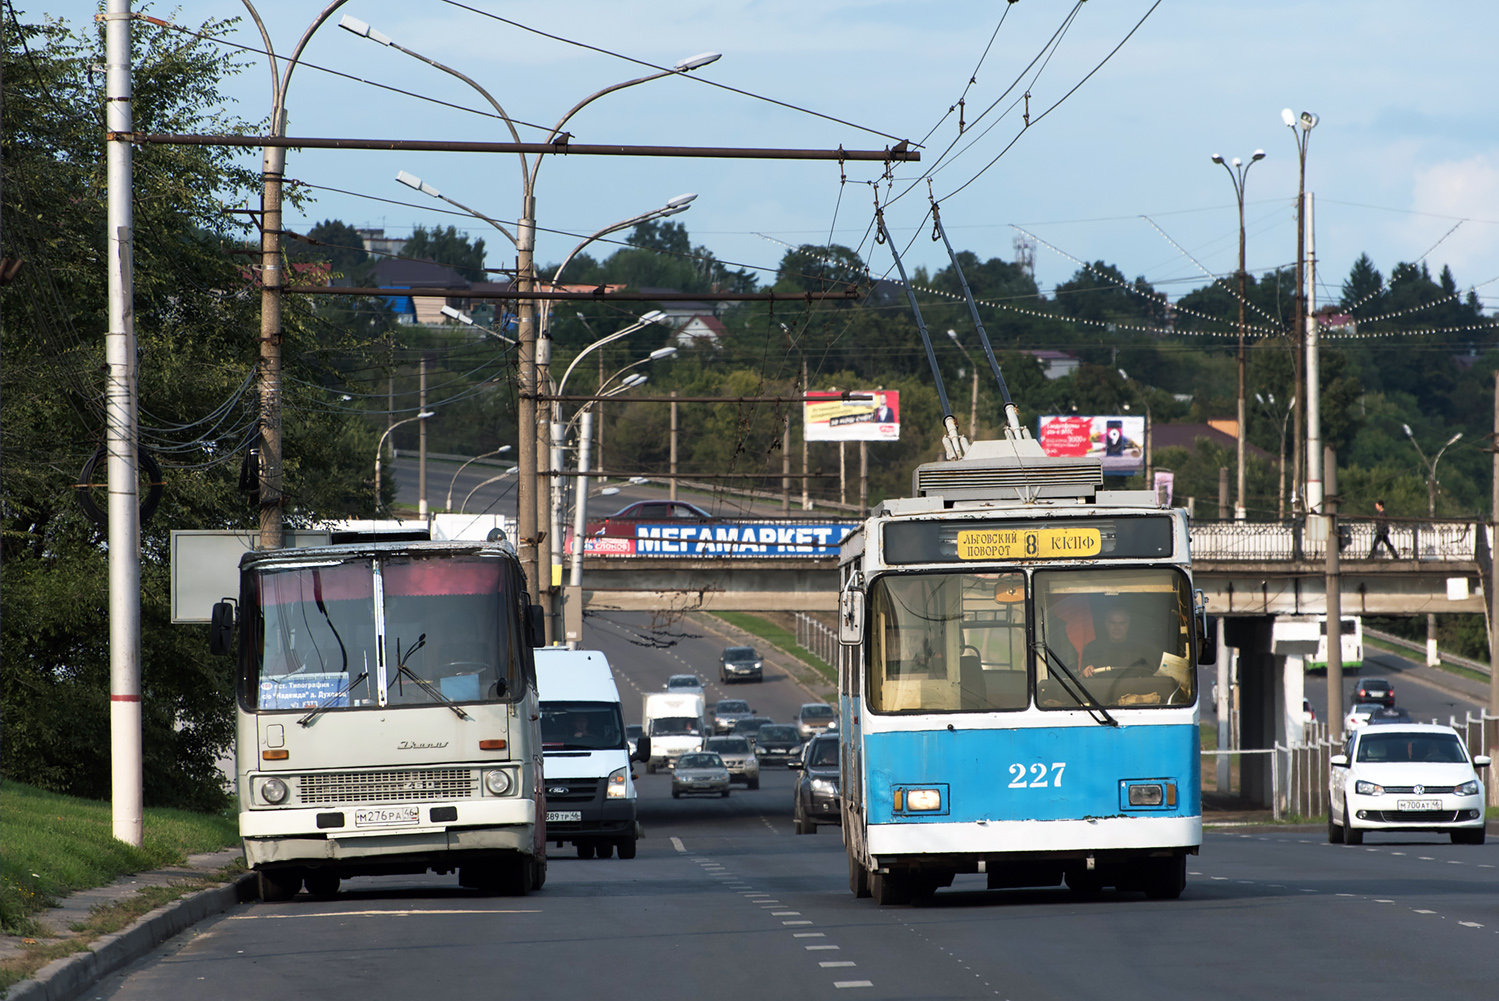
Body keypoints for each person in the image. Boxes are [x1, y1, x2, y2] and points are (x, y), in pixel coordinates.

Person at [1080, 608, 1158, 678]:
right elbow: (1081, 679)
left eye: (1122, 623)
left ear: (1128, 624)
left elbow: (1152, 677)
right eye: (1113, 623)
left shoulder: (1141, 650)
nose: (1117, 628)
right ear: (1106, 624)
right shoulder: (1092, 649)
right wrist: (1085, 673)